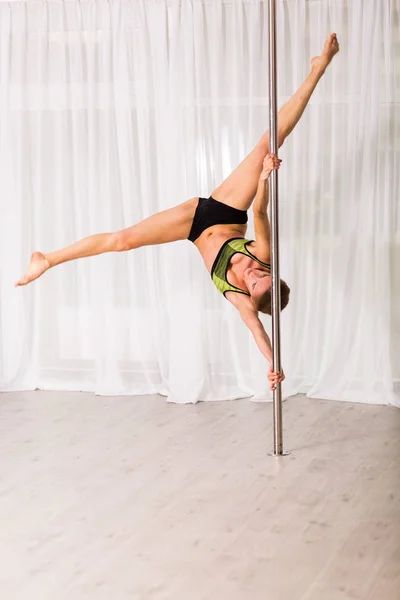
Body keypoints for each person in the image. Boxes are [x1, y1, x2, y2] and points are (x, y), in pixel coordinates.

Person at [15, 34, 340, 391]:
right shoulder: (262, 256)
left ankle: (47, 259)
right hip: (224, 210)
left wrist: (274, 364)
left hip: (192, 228)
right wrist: (263, 176)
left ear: (249, 293)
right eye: (262, 272)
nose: (252, 270)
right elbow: (260, 213)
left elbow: (258, 331)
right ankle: (318, 69)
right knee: (269, 142)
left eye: (254, 280)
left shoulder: (239, 297)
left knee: (122, 242)